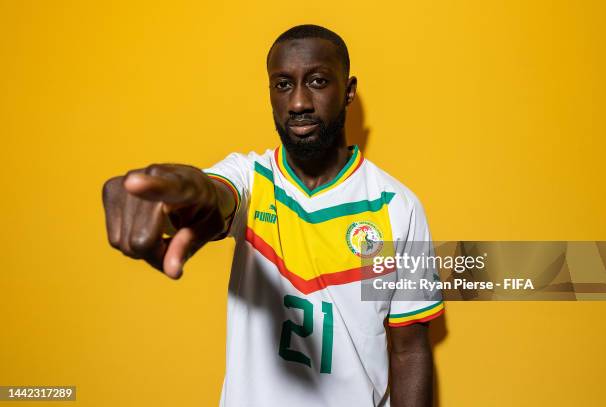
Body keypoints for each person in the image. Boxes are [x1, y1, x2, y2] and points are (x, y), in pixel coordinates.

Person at [102, 24, 444, 407]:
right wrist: (184, 194)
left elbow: (409, 350)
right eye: (283, 85)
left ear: (348, 91)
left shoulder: (394, 207)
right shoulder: (251, 180)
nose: (298, 103)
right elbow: (215, 195)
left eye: (317, 81)